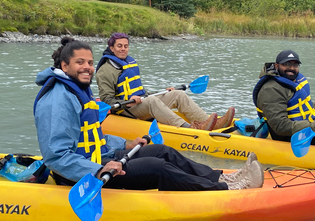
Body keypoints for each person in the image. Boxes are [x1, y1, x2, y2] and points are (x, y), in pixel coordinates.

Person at [33, 37, 263, 191]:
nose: (88, 67)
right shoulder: (58, 99)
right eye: (80, 62)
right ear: (64, 66)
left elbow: (93, 135)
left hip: (97, 159)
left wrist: (126, 142)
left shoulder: (77, 89)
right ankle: (225, 189)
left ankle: (220, 176)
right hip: (82, 174)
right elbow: (56, 156)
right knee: (156, 166)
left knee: (162, 151)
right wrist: (98, 170)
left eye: (90, 62)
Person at [95, 32, 235, 131]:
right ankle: (189, 129)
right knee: (152, 101)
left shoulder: (128, 62)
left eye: (126, 46)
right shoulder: (105, 70)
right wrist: (130, 101)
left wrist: (161, 92)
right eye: (119, 46)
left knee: (177, 94)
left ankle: (209, 122)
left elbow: (140, 91)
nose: (123, 49)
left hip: (140, 103)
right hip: (125, 109)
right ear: (112, 48)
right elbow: (107, 101)